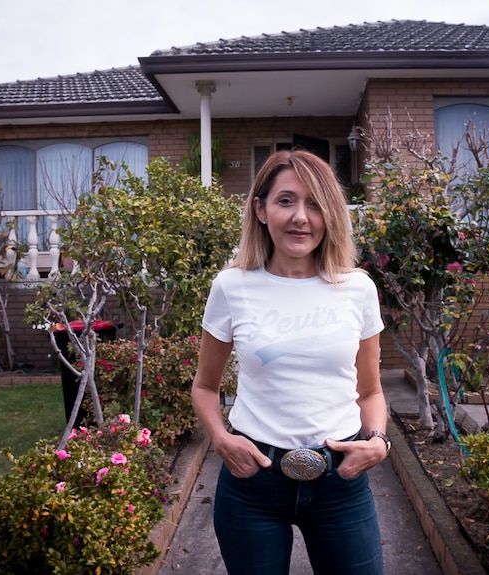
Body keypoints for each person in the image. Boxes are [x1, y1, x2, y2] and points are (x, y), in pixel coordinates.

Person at [191, 149, 390, 575]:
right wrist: (220, 439)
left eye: (315, 203)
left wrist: (378, 441)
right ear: (261, 210)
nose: (301, 216)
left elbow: (370, 391)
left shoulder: (357, 289)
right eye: (286, 201)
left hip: (342, 483)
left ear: (330, 214)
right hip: (252, 484)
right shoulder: (232, 286)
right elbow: (205, 387)